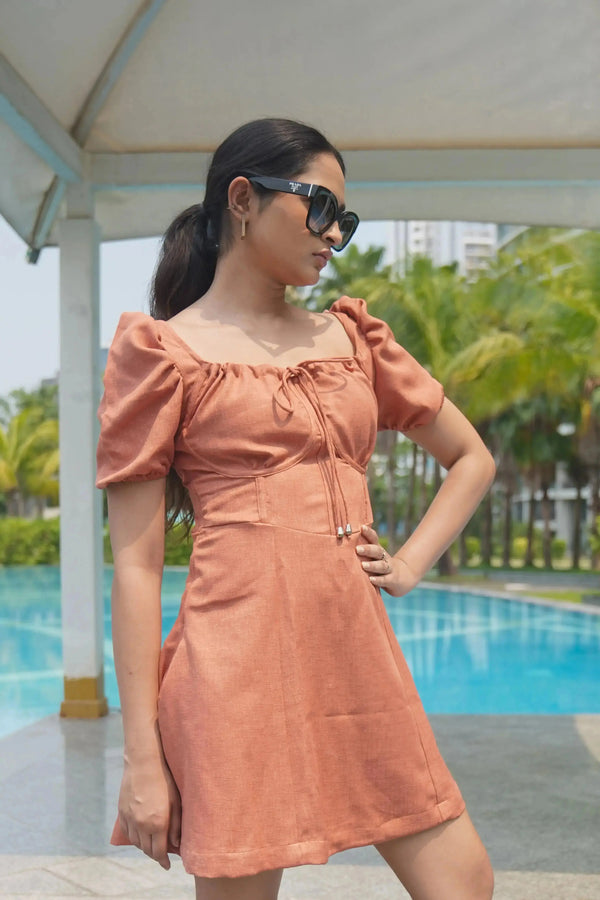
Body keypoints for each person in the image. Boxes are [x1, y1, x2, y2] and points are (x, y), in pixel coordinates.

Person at [96, 118, 496, 900]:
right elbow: (137, 568)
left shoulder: (353, 339)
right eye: (320, 208)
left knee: (464, 883)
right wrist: (142, 759)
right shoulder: (161, 354)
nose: (333, 236)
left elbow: (470, 458)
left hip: (357, 655)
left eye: (344, 221)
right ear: (242, 200)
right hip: (232, 672)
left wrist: (410, 562)